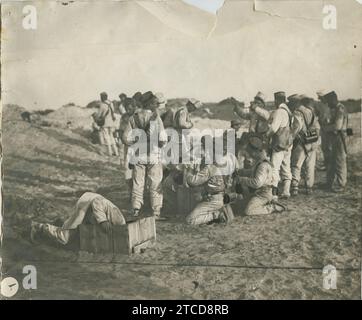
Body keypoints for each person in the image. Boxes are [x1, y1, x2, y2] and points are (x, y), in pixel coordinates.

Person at [122, 91, 167, 219]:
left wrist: (133, 142)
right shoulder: (156, 118)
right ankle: (156, 212)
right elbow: (163, 139)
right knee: (155, 183)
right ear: (151, 104)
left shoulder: (133, 118)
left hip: (138, 155)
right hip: (153, 155)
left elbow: (125, 138)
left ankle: (136, 209)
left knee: (138, 183)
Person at [30, 192, 126, 245]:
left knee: (79, 233)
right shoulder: (118, 220)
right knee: (65, 238)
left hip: (92, 209)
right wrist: (102, 220)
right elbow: (97, 201)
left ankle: (61, 224)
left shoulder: (120, 223)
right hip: (88, 203)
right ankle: (39, 227)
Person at [184, 137, 235, 226]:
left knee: (190, 220)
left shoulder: (210, 168)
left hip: (213, 200)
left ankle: (217, 214)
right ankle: (219, 211)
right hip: (222, 196)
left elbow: (192, 181)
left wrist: (189, 169)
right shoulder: (226, 163)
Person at [253, 91, 293, 199]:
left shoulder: (279, 112)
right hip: (288, 144)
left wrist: (266, 136)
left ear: (277, 101)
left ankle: (274, 194)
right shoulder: (288, 111)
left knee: (275, 168)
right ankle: (286, 191)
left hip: (279, 144)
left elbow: (274, 128)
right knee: (286, 167)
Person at [236, 135, 286, 216]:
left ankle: (271, 208)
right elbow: (253, 172)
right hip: (262, 191)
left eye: (249, 152)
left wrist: (241, 179)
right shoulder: (261, 161)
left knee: (248, 211)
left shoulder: (263, 165)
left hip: (264, 193)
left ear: (254, 152)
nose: (249, 155)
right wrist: (242, 172)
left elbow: (257, 183)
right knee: (240, 204)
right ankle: (266, 203)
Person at [290, 95, 320, 196]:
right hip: (312, 141)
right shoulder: (311, 111)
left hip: (301, 141)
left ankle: (294, 187)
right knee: (310, 165)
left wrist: (291, 138)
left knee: (296, 165)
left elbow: (296, 127)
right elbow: (317, 127)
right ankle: (309, 187)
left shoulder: (297, 112)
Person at [321, 91, 348, 192]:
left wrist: (325, 128)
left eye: (329, 101)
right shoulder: (335, 109)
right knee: (331, 161)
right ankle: (330, 183)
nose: (328, 104)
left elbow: (337, 126)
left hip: (340, 137)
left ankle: (341, 184)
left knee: (340, 161)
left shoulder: (340, 109)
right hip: (334, 138)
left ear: (333, 99)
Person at [94, 92, 119, 156]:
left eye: (101, 97)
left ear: (102, 97)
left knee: (106, 137)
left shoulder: (102, 105)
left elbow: (99, 115)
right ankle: (116, 152)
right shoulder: (111, 103)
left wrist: (96, 117)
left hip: (105, 123)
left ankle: (109, 153)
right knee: (112, 137)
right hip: (112, 123)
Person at [315, 90, 332, 171]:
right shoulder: (320, 105)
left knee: (328, 147)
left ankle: (329, 164)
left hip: (328, 128)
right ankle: (327, 163)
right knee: (325, 147)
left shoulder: (328, 105)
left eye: (320, 97)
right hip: (323, 128)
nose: (319, 98)